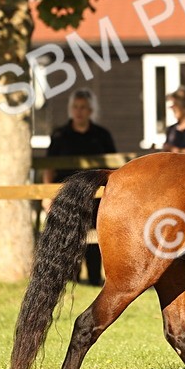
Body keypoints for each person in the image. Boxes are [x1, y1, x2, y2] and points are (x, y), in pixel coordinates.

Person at [42, 89, 117, 286]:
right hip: (66, 197)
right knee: (66, 240)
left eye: (83, 107)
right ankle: (67, 282)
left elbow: (113, 166)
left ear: (91, 110)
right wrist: (46, 196)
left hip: (97, 197)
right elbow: (48, 167)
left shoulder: (102, 136)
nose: (79, 111)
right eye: (75, 107)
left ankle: (94, 281)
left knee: (95, 243)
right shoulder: (60, 135)